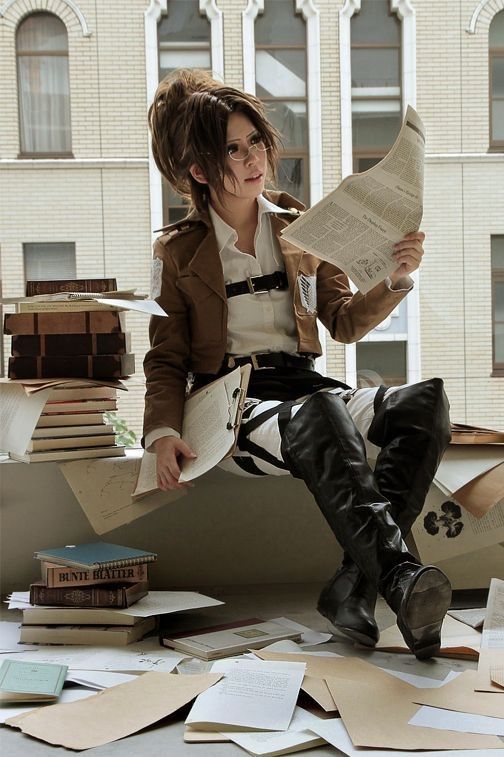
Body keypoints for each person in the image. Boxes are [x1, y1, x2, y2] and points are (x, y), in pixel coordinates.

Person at [143, 68, 452, 660]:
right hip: (232, 398)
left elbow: (341, 319)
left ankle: (355, 588)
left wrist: (396, 277)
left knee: (424, 402)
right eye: (232, 149)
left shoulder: (297, 225)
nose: (253, 158)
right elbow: (165, 357)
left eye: (255, 141)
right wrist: (160, 432)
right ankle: (400, 578)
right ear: (201, 169)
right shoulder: (175, 251)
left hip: (306, 385)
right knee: (319, 411)